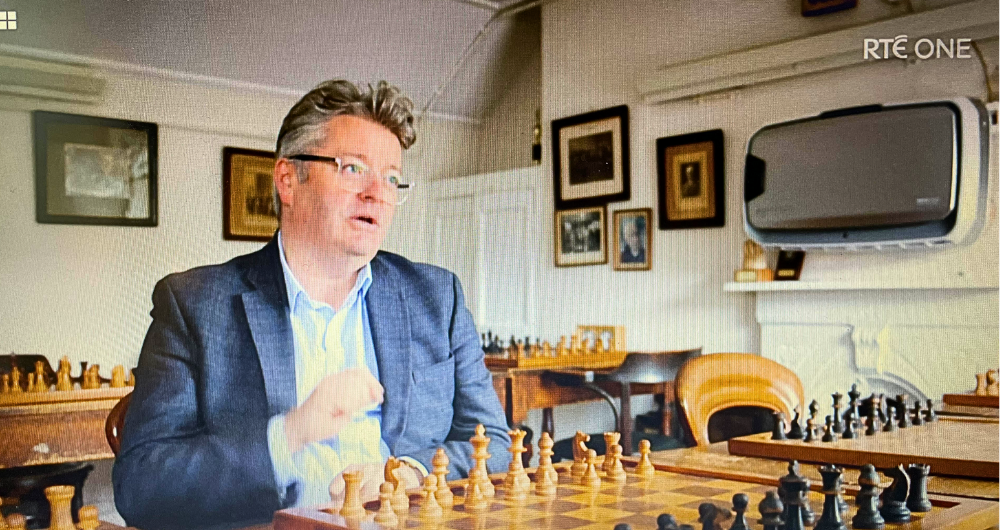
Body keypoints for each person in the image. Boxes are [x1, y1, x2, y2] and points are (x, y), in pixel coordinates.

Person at [113, 80, 512, 530]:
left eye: (392, 177)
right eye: (353, 169)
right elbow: (142, 485)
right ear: (288, 179)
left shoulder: (438, 298)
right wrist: (290, 434)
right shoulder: (195, 304)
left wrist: (410, 473)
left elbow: (495, 442)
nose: (377, 193)